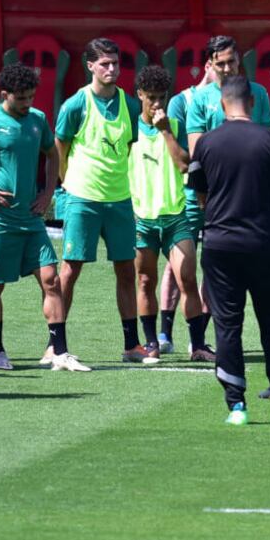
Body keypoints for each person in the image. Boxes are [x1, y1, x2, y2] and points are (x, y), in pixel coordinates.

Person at [188, 76, 270, 426]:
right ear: (252, 103)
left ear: (223, 104)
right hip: (263, 243)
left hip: (220, 245)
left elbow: (200, 197)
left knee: (228, 326)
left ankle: (236, 407)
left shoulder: (207, 143)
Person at [0, 64, 80, 373]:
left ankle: (58, 351)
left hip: (31, 218)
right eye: (22, 98)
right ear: (5, 95)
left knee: (51, 279)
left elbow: (52, 152)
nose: (28, 103)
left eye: (32, 96)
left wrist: (49, 191)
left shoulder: (38, 120)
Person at [55, 38, 150, 365]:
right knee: (69, 271)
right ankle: (56, 346)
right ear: (90, 66)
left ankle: (131, 346)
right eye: (104, 64)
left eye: (115, 63)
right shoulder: (75, 104)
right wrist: (67, 182)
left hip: (120, 200)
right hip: (83, 198)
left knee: (127, 270)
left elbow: (129, 148)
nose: (111, 69)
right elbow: (61, 147)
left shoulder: (131, 105)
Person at [128, 65, 214, 363]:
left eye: (161, 97)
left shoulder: (176, 126)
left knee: (188, 279)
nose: (157, 104)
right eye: (150, 97)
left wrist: (165, 131)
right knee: (144, 281)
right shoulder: (129, 128)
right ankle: (151, 343)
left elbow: (184, 166)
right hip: (143, 219)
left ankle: (198, 345)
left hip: (176, 217)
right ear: (139, 95)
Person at [156, 59, 216, 355]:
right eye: (222, 64)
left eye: (234, 64)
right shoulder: (183, 100)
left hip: (223, 196)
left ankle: (199, 337)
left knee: (213, 264)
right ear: (208, 64)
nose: (228, 70)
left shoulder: (233, 97)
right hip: (188, 195)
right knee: (176, 263)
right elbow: (180, 152)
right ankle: (165, 334)